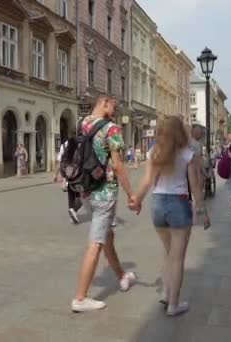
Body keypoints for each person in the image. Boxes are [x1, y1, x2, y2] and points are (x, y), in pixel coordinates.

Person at [130, 116, 210, 316]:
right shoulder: (187, 154)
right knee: (177, 258)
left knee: (167, 253)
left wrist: (137, 200)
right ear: (180, 131)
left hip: (157, 205)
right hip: (179, 204)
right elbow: (196, 187)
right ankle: (174, 304)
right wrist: (202, 211)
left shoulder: (153, 152)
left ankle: (166, 293)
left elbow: (147, 180)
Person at [71, 95, 137, 313]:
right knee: (96, 243)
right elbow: (118, 166)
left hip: (87, 191)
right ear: (104, 102)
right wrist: (131, 194)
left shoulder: (82, 123)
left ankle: (121, 275)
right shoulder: (112, 129)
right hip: (105, 192)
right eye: (114, 106)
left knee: (107, 236)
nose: (115, 110)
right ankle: (80, 298)